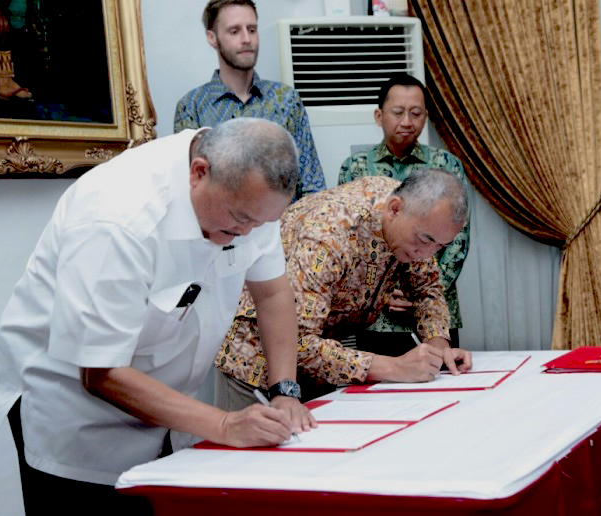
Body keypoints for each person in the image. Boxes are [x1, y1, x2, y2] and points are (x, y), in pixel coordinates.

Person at [0, 118, 316, 515]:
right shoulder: (117, 217)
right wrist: (225, 425)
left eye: (260, 224)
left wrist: (285, 390)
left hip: (164, 409)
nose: (248, 233)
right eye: (240, 220)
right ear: (199, 172)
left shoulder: (248, 196)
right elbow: (100, 372)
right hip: (75, 418)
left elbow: (273, 291)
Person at [214, 169, 473, 411]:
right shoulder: (330, 233)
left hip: (321, 363)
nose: (426, 254)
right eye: (425, 240)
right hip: (257, 363)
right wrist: (393, 367)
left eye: (440, 246)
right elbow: (297, 340)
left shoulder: (418, 218)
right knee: (255, 457)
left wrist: (438, 350)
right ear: (394, 209)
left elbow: (427, 288)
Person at [338, 73, 470, 353]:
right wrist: (382, 294)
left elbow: (457, 240)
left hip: (435, 312)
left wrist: (422, 293)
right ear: (379, 115)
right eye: (398, 112)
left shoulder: (447, 165)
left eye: (416, 113)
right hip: (376, 317)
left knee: (443, 382)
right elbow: (350, 242)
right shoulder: (355, 167)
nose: (407, 122)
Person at [173, 0, 326, 200]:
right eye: (234, 31)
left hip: (283, 227)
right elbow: (191, 191)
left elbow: (312, 184)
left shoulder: (286, 100)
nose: (247, 39)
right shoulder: (192, 107)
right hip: (223, 228)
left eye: (252, 30)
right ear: (212, 38)